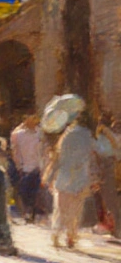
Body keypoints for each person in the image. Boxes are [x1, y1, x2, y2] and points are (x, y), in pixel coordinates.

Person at [42, 95, 95, 249]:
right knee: (75, 210)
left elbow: (57, 160)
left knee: (60, 209)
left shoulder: (65, 137)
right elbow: (93, 155)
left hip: (64, 178)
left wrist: (48, 176)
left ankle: (56, 234)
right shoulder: (87, 135)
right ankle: (71, 236)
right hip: (81, 178)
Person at [10, 115, 46, 224]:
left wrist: (43, 165)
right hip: (25, 167)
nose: (31, 121)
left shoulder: (40, 133)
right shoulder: (19, 134)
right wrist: (19, 165)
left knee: (35, 193)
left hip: (37, 167)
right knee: (24, 192)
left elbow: (44, 150)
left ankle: (31, 213)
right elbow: (15, 150)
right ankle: (27, 212)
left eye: (34, 119)